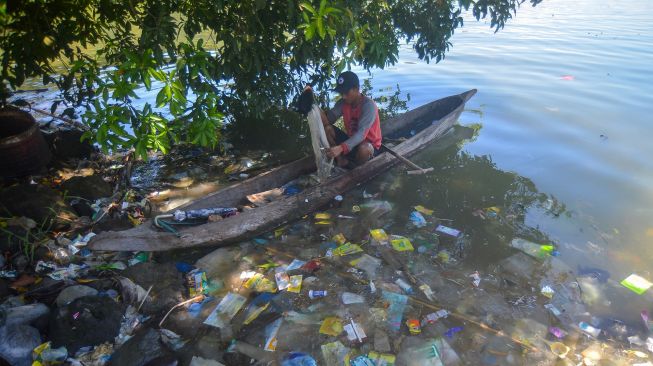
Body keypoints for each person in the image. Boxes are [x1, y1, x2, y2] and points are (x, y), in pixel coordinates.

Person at [306, 71, 382, 167]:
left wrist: (341, 148)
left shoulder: (368, 106)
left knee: (365, 149)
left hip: (370, 147)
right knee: (328, 129)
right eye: (342, 93)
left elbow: (361, 135)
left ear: (356, 89)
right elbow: (327, 120)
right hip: (351, 143)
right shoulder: (343, 103)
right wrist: (313, 103)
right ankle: (341, 161)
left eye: (346, 92)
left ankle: (357, 168)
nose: (343, 96)